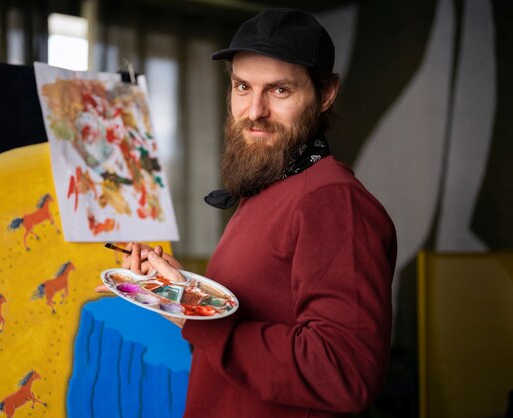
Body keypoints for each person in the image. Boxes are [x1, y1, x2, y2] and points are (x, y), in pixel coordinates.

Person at [100, 8, 397, 417]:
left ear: (325, 93)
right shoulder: (271, 187)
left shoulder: (332, 201)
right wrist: (179, 292)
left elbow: (344, 372)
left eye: (279, 91)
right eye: (242, 86)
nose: (254, 110)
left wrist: (195, 316)